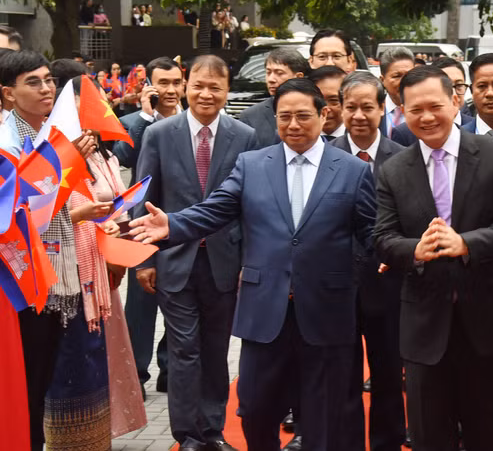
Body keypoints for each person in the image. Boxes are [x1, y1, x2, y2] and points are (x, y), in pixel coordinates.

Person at [130, 77, 376, 451]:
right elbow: (214, 211)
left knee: (321, 415)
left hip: (326, 311)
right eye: (284, 117)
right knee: (257, 409)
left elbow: (372, 233)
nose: (293, 125)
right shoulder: (252, 164)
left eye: (303, 116)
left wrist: (391, 258)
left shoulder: (352, 170)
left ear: (324, 114)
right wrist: (172, 225)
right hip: (265, 311)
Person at [374, 66, 493, 451]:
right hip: (425, 325)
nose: (426, 117)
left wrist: (466, 242)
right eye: (415, 110)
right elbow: (382, 238)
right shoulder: (393, 169)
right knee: (430, 436)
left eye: (435, 106)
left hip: (490, 320)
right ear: (402, 110)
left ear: (455, 101)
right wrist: (414, 250)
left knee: (489, 434)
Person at [133, 55, 256, 451]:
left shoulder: (245, 135)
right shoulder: (160, 134)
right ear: (187, 86)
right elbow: (144, 200)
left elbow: (250, 208)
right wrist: (145, 259)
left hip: (224, 261)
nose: (206, 94)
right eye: (199, 85)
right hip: (173, 259)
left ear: (226, 91)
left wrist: (248, 264)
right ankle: (186, 434)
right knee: (184, 347)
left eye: (215, 87)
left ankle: (212, 429)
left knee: (217, 348)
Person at [0, 50, 99, 450]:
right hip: (18, 282)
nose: (47, 89)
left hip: (53, 275)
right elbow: (20, 213)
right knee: (22, 382)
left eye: (48, 80)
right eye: (33, 82)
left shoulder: (48, 134)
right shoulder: (8, 143)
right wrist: (68, 165)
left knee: (39, 383)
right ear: (7, 94)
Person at [44, 75, 147, 450]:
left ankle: (98, 437)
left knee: (100, 364)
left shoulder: (105, 155)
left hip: (104, 276)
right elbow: (38, 216)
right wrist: (81, 216)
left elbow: (119, 203)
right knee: (71, 368)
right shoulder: (48, 155)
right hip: (68, 279)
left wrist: (116, 228)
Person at [331, 71, 407, 451]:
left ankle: (388, 442)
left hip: (389, 287)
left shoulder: (404, 159)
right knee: (342, 376)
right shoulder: (324, 156)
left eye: (367, 107)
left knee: (389, 375)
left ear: (383, 110)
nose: (358, 115)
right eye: (350, 107)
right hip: (337, 286)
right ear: (340, 109)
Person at [113, 57, 185, 400]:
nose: (170, 90)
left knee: (182, 303)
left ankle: (171, 371)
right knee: (140, 308)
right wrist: (144, 114)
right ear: (149, 85)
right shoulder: (133, 121)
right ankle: (135, 375)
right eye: (163, 83)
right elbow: (125, 156)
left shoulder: (195, 121)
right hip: (142, 226)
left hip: (184, 228)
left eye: (176, 82)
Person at [390, 58, 474, 147]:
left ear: (454, 101)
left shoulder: (481, 136)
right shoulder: (403, 136)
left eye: (458, 85)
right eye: (417, 109)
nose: (427, 118)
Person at [238, 47, 308, 148]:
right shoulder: (250, 116)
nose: (271, 79)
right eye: (268, 73)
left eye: (279, 73)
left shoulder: (315, 111)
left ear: (298, 77)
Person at [379, 47, 415, 139]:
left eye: (408, 75)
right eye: (397, 76)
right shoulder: (373, 110)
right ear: (383, 80)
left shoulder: (426, 111)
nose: (403, 81)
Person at [308, 66, 347, 140]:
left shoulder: (363, 137)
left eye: (334, 101)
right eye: (319, 100)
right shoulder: (294, 139)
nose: (326, 109)